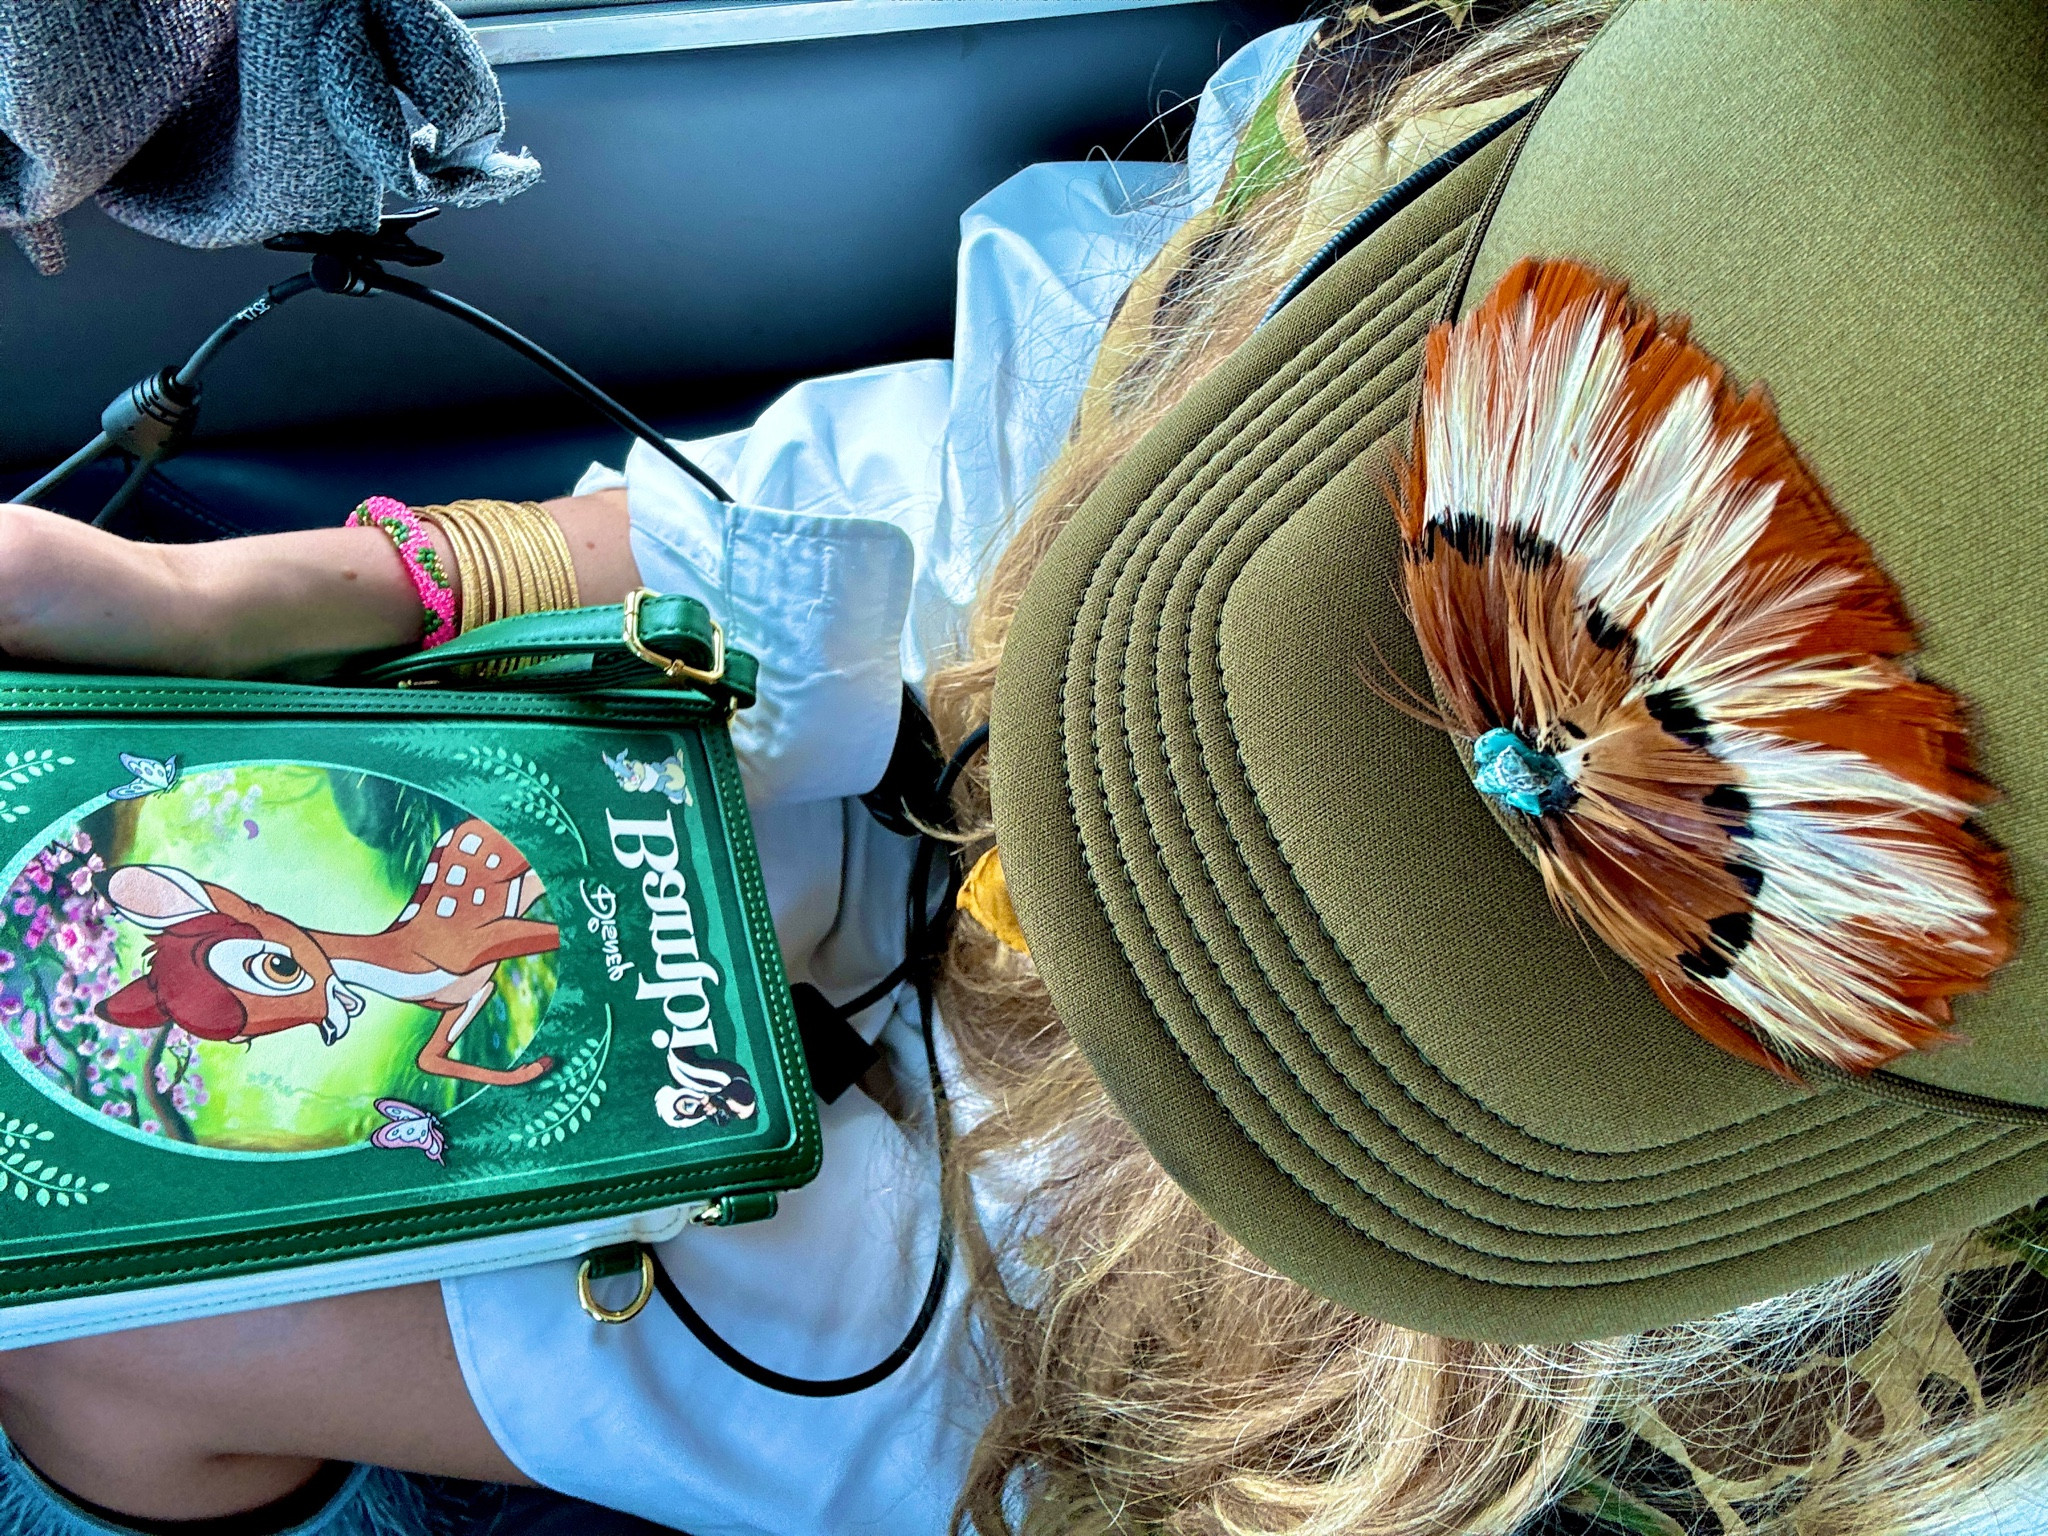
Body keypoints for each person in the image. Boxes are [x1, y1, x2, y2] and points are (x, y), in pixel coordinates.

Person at [2, 3, 2047, 1534]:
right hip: (900, 739)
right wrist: (263, 599)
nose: (1145, 886)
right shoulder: (1427, 152)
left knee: (113, 1354)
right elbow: (978, 459)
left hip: (1223, 1363)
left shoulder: (1878, 1432)